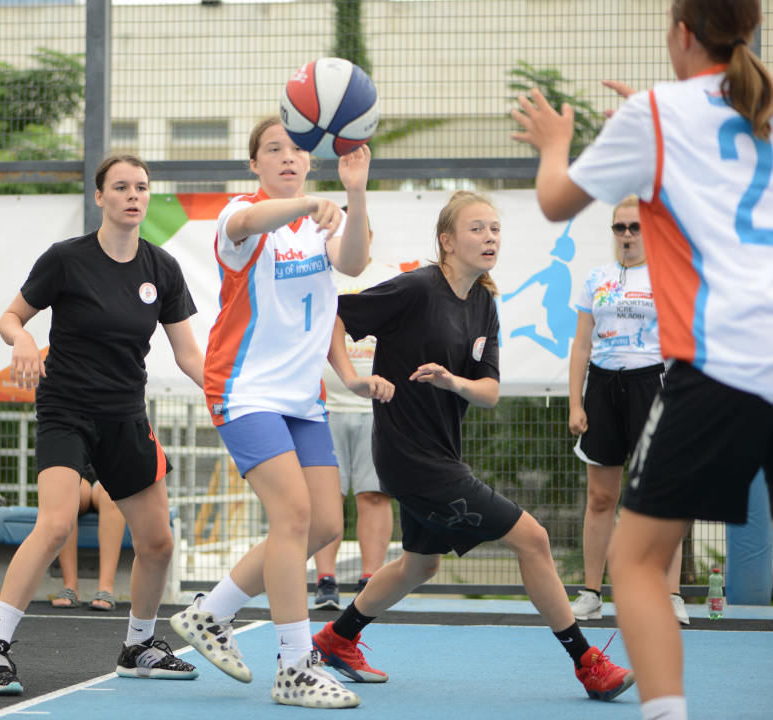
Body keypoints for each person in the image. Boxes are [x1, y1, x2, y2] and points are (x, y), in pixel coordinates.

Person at [511, 1, 773, 717]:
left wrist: (554, 142)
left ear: (680, 35)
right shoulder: (759, 103)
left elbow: (554, 201)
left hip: (727, 364)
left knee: (633, 563)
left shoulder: (657, 115)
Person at [309, 191, 635, 703]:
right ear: (447, 240)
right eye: (477, 229)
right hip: (409, 456)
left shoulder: (484, 303)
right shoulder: (416, 288)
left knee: (420, 565)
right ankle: (587, 662)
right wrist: (352, 378)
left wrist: (452, 381)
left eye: (495, 230)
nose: (490, 238)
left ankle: (336, 638)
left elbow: (489, 391)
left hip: (441, 452)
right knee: (533, 539)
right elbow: (333, 313)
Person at [170, 116, 391, 710]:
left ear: (310, 160)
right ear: (255, 164)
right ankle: (295, 666)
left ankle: (210, 613)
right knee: (292, 516)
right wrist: (309, 203)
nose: (287, 157)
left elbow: (352, 267)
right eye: (274, 149)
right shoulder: (239, 217)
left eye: (296, 149)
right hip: (243, 390)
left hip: (301, 398)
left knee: (323, 525)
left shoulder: (324, 221)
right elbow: (247, 220)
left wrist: (354, 193)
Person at [0, 154, 204, 695]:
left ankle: (140, 645)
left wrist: (224, 391)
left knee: (159, 543)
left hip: (125, 415)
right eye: (120, 187)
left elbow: (190, 354)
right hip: (66, 410)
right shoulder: (66, 260)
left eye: (141, 187)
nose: (132, 195)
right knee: (54, 524)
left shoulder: (162, 268)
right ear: (100, 197)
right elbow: (10, 317)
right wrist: (23, 339)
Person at [568, 195, 688, 626]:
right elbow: (582, 344)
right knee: (601, 497)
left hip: (652, 385)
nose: (627, 236)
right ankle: (591, 594)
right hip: (602, 386)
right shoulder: (595, 277)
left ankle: (670, 594)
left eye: (635, 227)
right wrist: (575, 403)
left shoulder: (668, 275)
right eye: (620, 228)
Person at [314, 212, 400, 610]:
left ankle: (371, 581)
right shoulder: (320, 274)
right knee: (326, 498)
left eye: (357, 232)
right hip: (322, 405)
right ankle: (325, 581)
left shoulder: (390, 277)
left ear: (369, 234)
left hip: (376, 407)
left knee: (374, 495)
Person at [50, 464, 127, 611]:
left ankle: (106, 588)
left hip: (109, 472)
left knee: (111, 491)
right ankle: (70, 586)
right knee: (69, 490)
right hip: (80, 471)